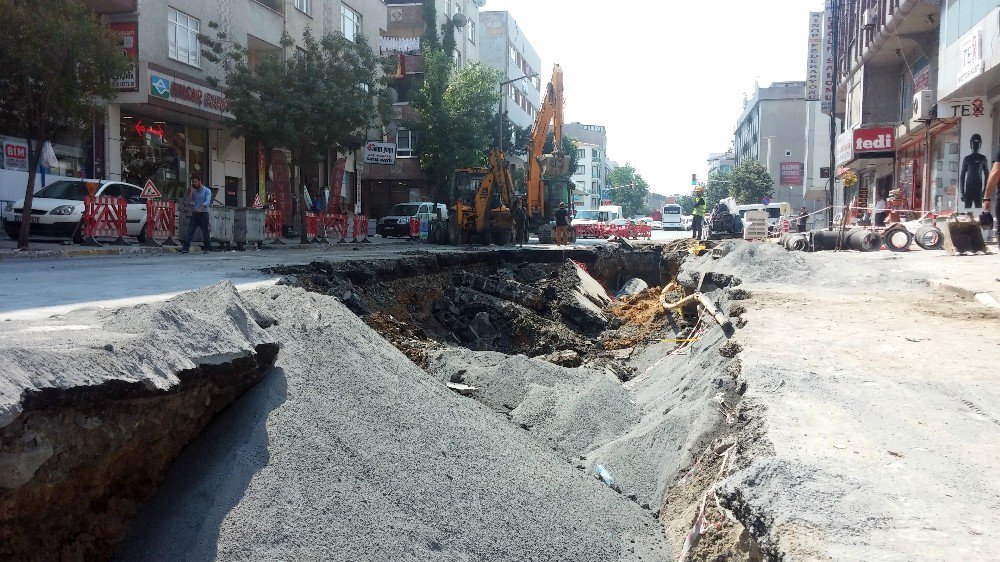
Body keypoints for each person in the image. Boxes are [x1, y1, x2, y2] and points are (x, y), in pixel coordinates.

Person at [180, 173, 212, 253]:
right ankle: (185, 248)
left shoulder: (207, 191)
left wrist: (201, 208)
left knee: (205, 231)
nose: (194, 183)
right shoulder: (194, 191)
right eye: (193, 182)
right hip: (195, 214)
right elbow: (191, 200)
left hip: (203, 213)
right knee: (190, 231)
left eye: (195, 182)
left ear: (200, 181)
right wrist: (190, 191)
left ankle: (207, 248)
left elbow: (207, 201)